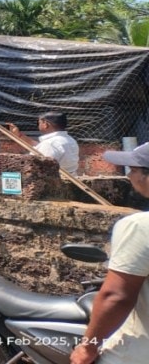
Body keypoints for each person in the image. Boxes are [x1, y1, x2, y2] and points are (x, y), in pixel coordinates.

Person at [72, 142, 149, 364]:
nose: (129, 176)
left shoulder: (139, 226)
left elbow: (117, 296)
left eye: (134, 170)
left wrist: (87, 348)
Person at [6, 111, 80, 174]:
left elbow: (41, 168)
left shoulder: (50, 144)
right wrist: (19, 135)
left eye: (39, 123)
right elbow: (39, 147)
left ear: (45, 124)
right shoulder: (69, 140)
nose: (38, 125)